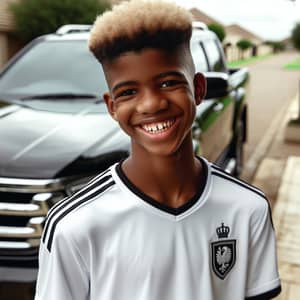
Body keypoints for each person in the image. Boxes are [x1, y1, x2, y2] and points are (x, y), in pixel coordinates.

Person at [35, 0, 281, 299]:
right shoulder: (74, 226)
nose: (151, 104)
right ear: (112, 107)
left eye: (168, 82)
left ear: (199, 89)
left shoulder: (247, 208)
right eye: (128, 92)